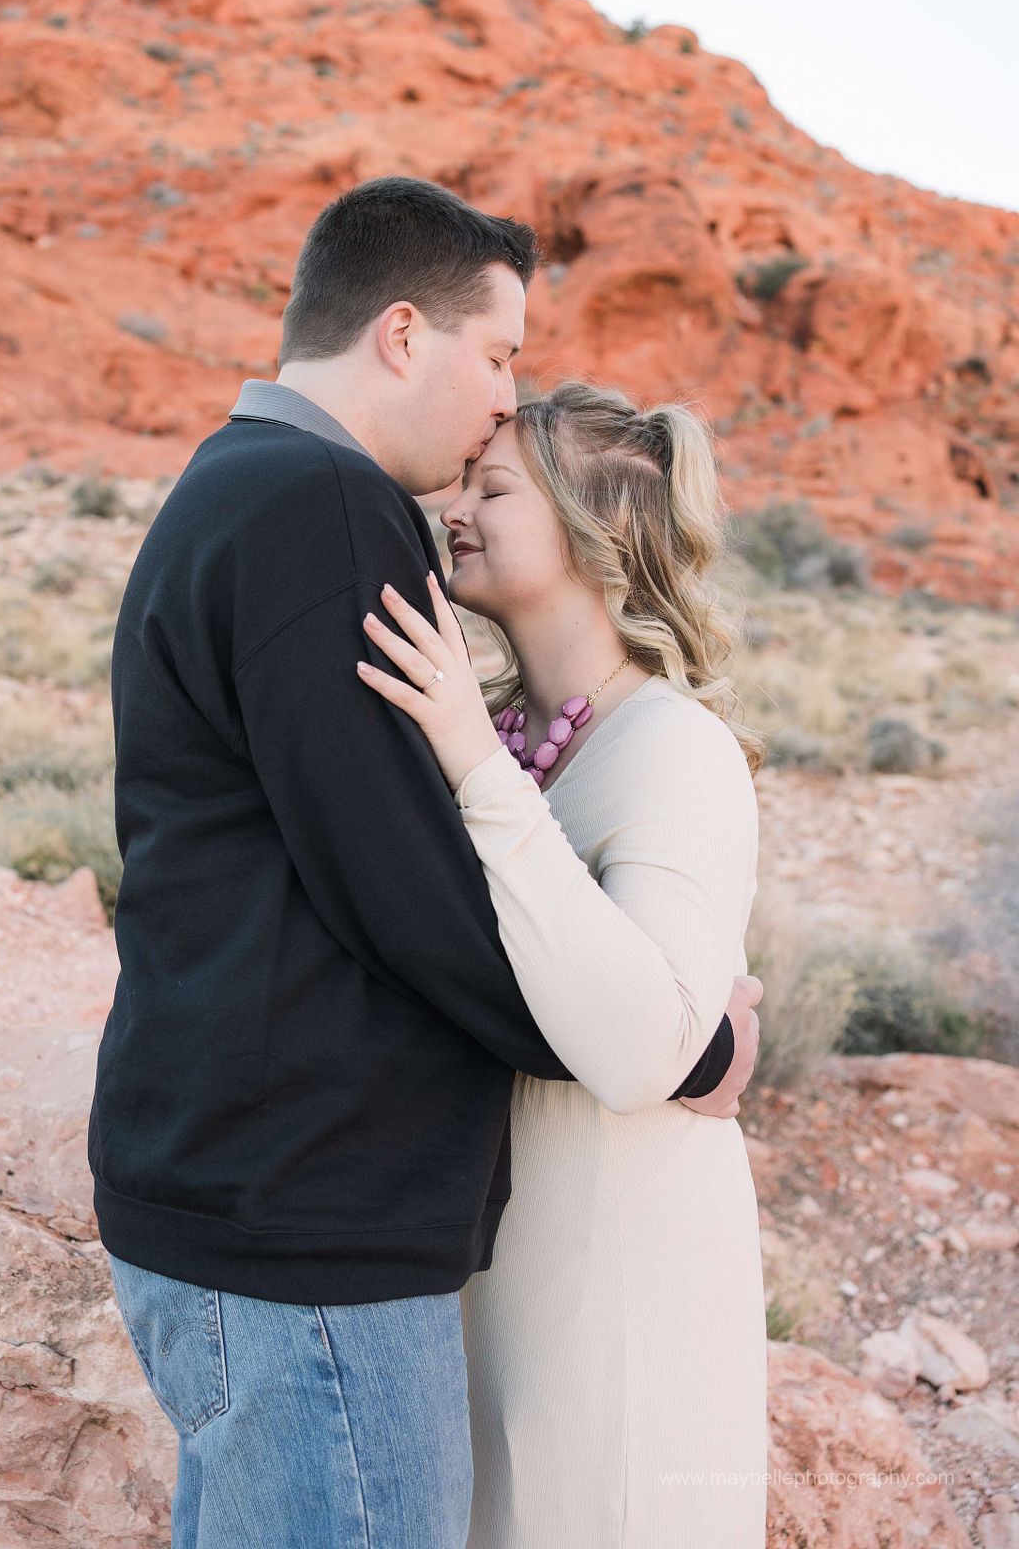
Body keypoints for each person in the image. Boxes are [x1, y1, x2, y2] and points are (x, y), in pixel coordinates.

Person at [87, 175, 762, 1548]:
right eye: (498, 354)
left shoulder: (243, 486)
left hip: (288, 1211)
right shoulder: (321, 508)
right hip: (306, 1229)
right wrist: (680, 1050)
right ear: (403, 336)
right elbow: (404, 892)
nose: (500, 403)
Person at [356, 379, 768, 1546]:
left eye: (494, 490)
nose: (455, 509)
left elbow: (646, 1049)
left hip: (617, 1282)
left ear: (603, 538)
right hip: (502, 1266)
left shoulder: (670, 747)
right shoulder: (517, 740)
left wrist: (473, 766)